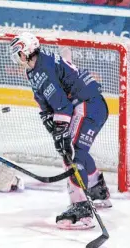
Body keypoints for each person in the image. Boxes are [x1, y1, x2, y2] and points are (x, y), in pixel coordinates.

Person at [9, 33, 111, 230]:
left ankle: (81, 209)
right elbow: (44, 99)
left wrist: (60, 129)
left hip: (89, 104)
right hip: (89, 104)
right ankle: (97, 190)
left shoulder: (43, 68)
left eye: (19, 52)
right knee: (77, 149)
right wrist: (48, 117)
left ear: (29, 50)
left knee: (71, 152)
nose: (17, 57)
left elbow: (62, 106)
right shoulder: (34, 69)